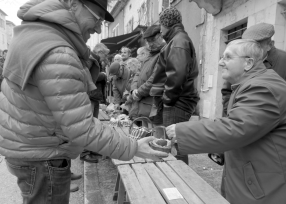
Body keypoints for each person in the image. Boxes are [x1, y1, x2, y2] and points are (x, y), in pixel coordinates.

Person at [0, 0, 168, 203]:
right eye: (96, 17)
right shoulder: (58, 52)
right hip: (42, 154)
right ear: (72, 4)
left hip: (30, 144)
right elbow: (81, 127)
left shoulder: (38, 34)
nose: (98, 26)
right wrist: (132, 147)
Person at [166, 39, 286, 204]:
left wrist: (181, 132)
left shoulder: (263, 88)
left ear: (248, 63)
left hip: (271, 189)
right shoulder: (252, 84)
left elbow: (236, 127)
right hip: (261, 182)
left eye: (228, 57)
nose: (221, 62)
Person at [150, 7, 199, 165]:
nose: (160, 29)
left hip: (177, 101)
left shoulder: (178, 41)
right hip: (178, 100)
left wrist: (167, 99)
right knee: (174, 144)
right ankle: (177, 180)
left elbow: (177, 75)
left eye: (160, 25)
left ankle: (179, 183)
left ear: (165, 24)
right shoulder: (178, 40)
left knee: (175, 145)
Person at [222, 23, 286, 115]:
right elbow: (227, 91)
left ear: (270, 45)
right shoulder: (242, 57)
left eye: (256, 46)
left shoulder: (285, 59)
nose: (250, 50)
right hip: (240, 115)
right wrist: (229, 113)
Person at [130, 25, 166, 124]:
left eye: (152, 40)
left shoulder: (162, 54)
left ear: (160, 36)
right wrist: (133, 90)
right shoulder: (149, 55)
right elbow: (138, 74)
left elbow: (155, 79)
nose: (149, 44)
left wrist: (138, 92)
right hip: (143, 104)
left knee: (154, 135)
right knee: (145, 134)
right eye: (148, 41)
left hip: (152, 104)